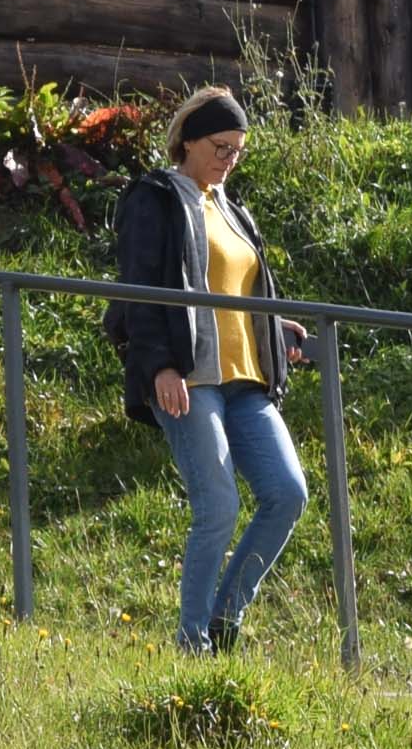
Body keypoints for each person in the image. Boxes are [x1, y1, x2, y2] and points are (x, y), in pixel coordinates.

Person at [106, 83, 311, 653]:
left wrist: (277, 329)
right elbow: (139, 290)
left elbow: (239, 291)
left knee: (287, 494)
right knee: (218, 507)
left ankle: (224, 622)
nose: (229, 160)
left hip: (247, 381)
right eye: (221, 147)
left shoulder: (232, 209)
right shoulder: (155, 197)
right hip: (190, 379)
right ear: (188, 141)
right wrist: (157, 368)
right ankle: (192, 646)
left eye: (238, 150)